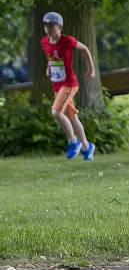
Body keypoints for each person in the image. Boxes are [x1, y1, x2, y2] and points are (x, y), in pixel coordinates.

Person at [40, 12, 96, 161]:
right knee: (72, 117)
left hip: (69, 84)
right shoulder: (44, 42)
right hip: (57, 85)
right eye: (46, 25)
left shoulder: (67, 41)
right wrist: (49, 67)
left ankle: (73, 141)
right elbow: (51, 56)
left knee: (56, 112)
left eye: (51, 26)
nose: (48, 29)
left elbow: (85, 49)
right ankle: (87, 146)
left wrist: (91, 69)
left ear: (59, 26)